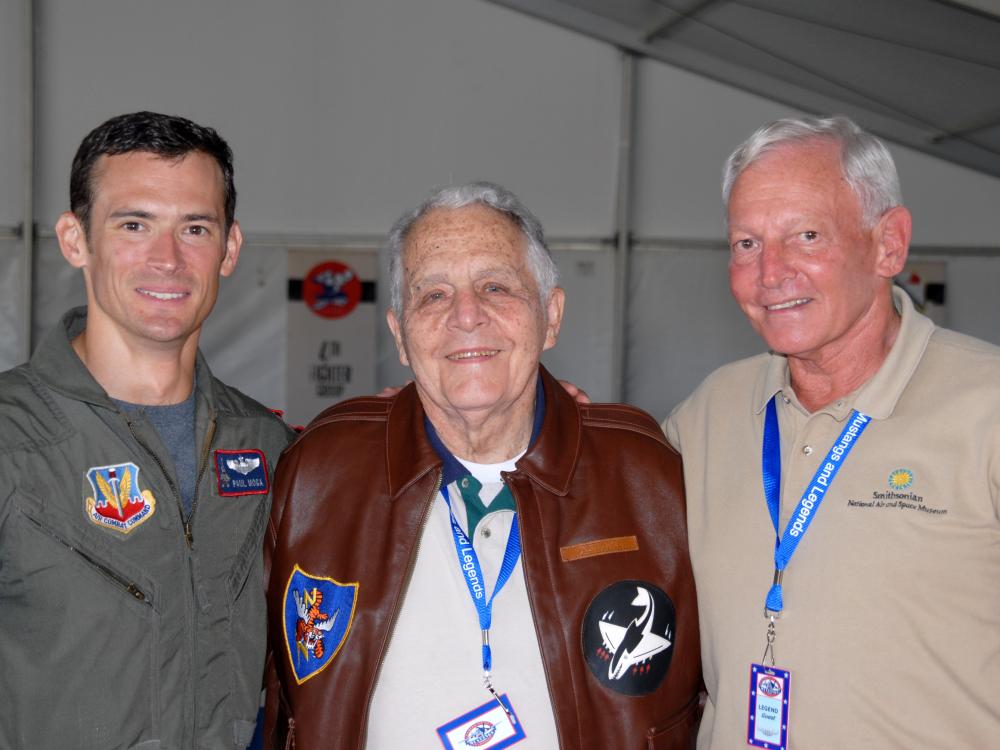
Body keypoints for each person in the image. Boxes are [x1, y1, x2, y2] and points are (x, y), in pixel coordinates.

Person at [264, 182, 701, 749]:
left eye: (495, 286)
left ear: (551, 315)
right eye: (433, 295)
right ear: (400, 335)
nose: (466, 316)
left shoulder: (650, 478)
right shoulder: (320, 472)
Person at [665, 116, 1000, 749]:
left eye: (807, 235)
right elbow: (595, 500)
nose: (771, 273)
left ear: (888, 245)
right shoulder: (711, 411)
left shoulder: (988, 408)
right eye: (746, 243)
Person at [0, 111, 295, 748]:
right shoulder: (10, 442)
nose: (167, 259)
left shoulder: (272, 451)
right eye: (134, 224)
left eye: (195, 228)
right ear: (75, 240)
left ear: (230, 248)